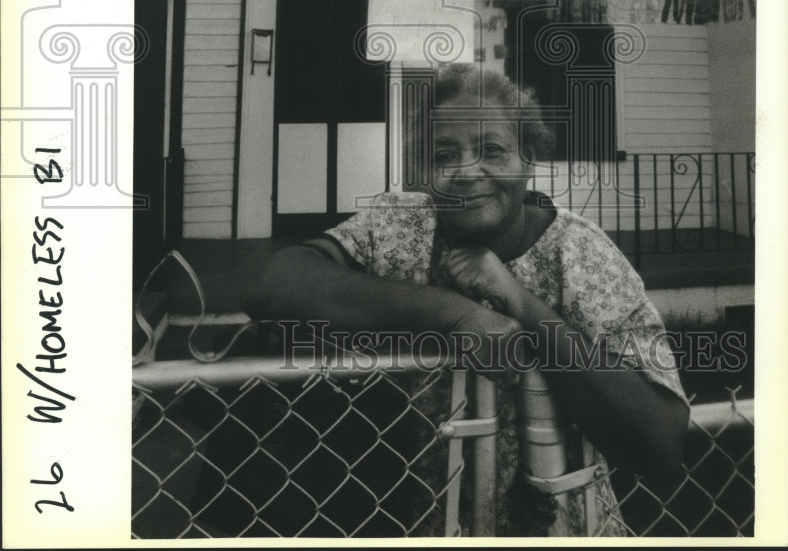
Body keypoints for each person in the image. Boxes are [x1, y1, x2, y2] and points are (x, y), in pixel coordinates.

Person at [244, 64, 689, 536]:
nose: (466, 172)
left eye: (492, 150)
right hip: (420, 526)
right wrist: (453, 313)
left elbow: (661, 447)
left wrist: (520, 302)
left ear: (529, 158)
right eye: (445, 154)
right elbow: (274, 284)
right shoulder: (399, 224)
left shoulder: (580, 253)